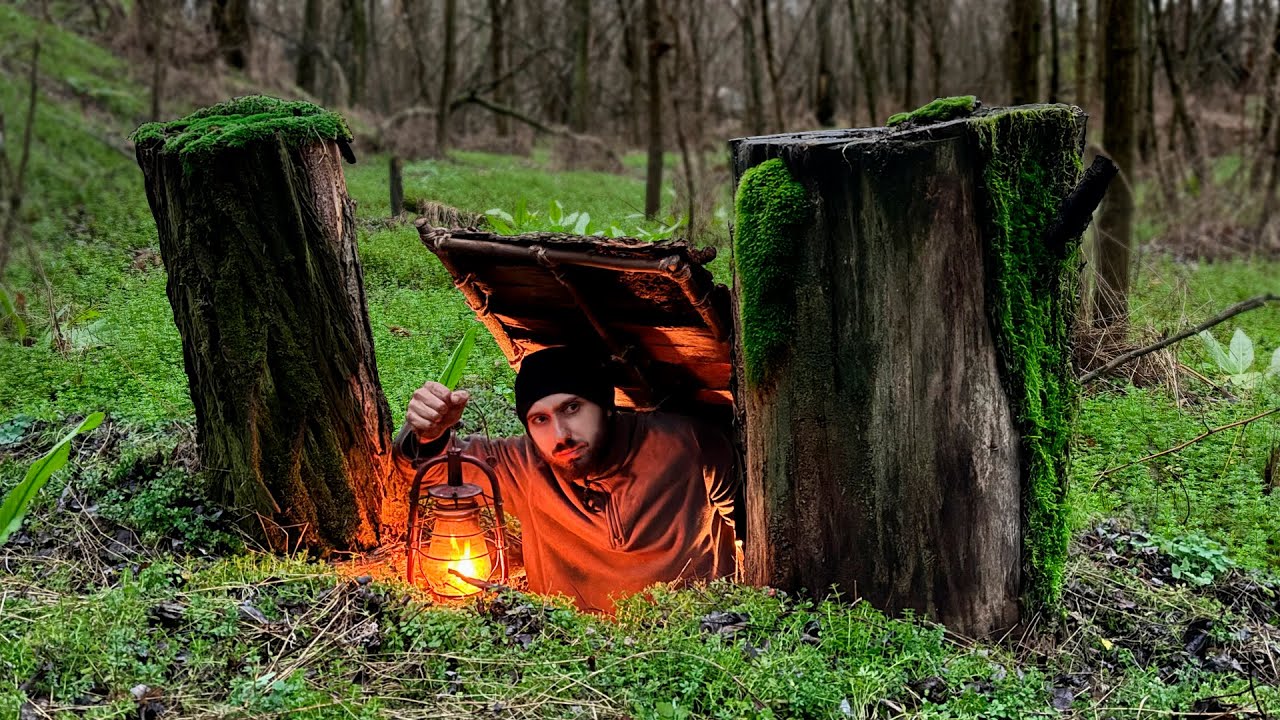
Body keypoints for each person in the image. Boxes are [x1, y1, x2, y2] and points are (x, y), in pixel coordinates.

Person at [392, 345, 739, 613]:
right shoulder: (525, 465)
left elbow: (749, 516)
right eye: (540, 420)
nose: (561, 435)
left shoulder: (686, 445)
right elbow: (428, 470)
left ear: (606, 405)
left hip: (695, 636)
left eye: (572, 408)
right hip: (571, 652)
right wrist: (428, 432)